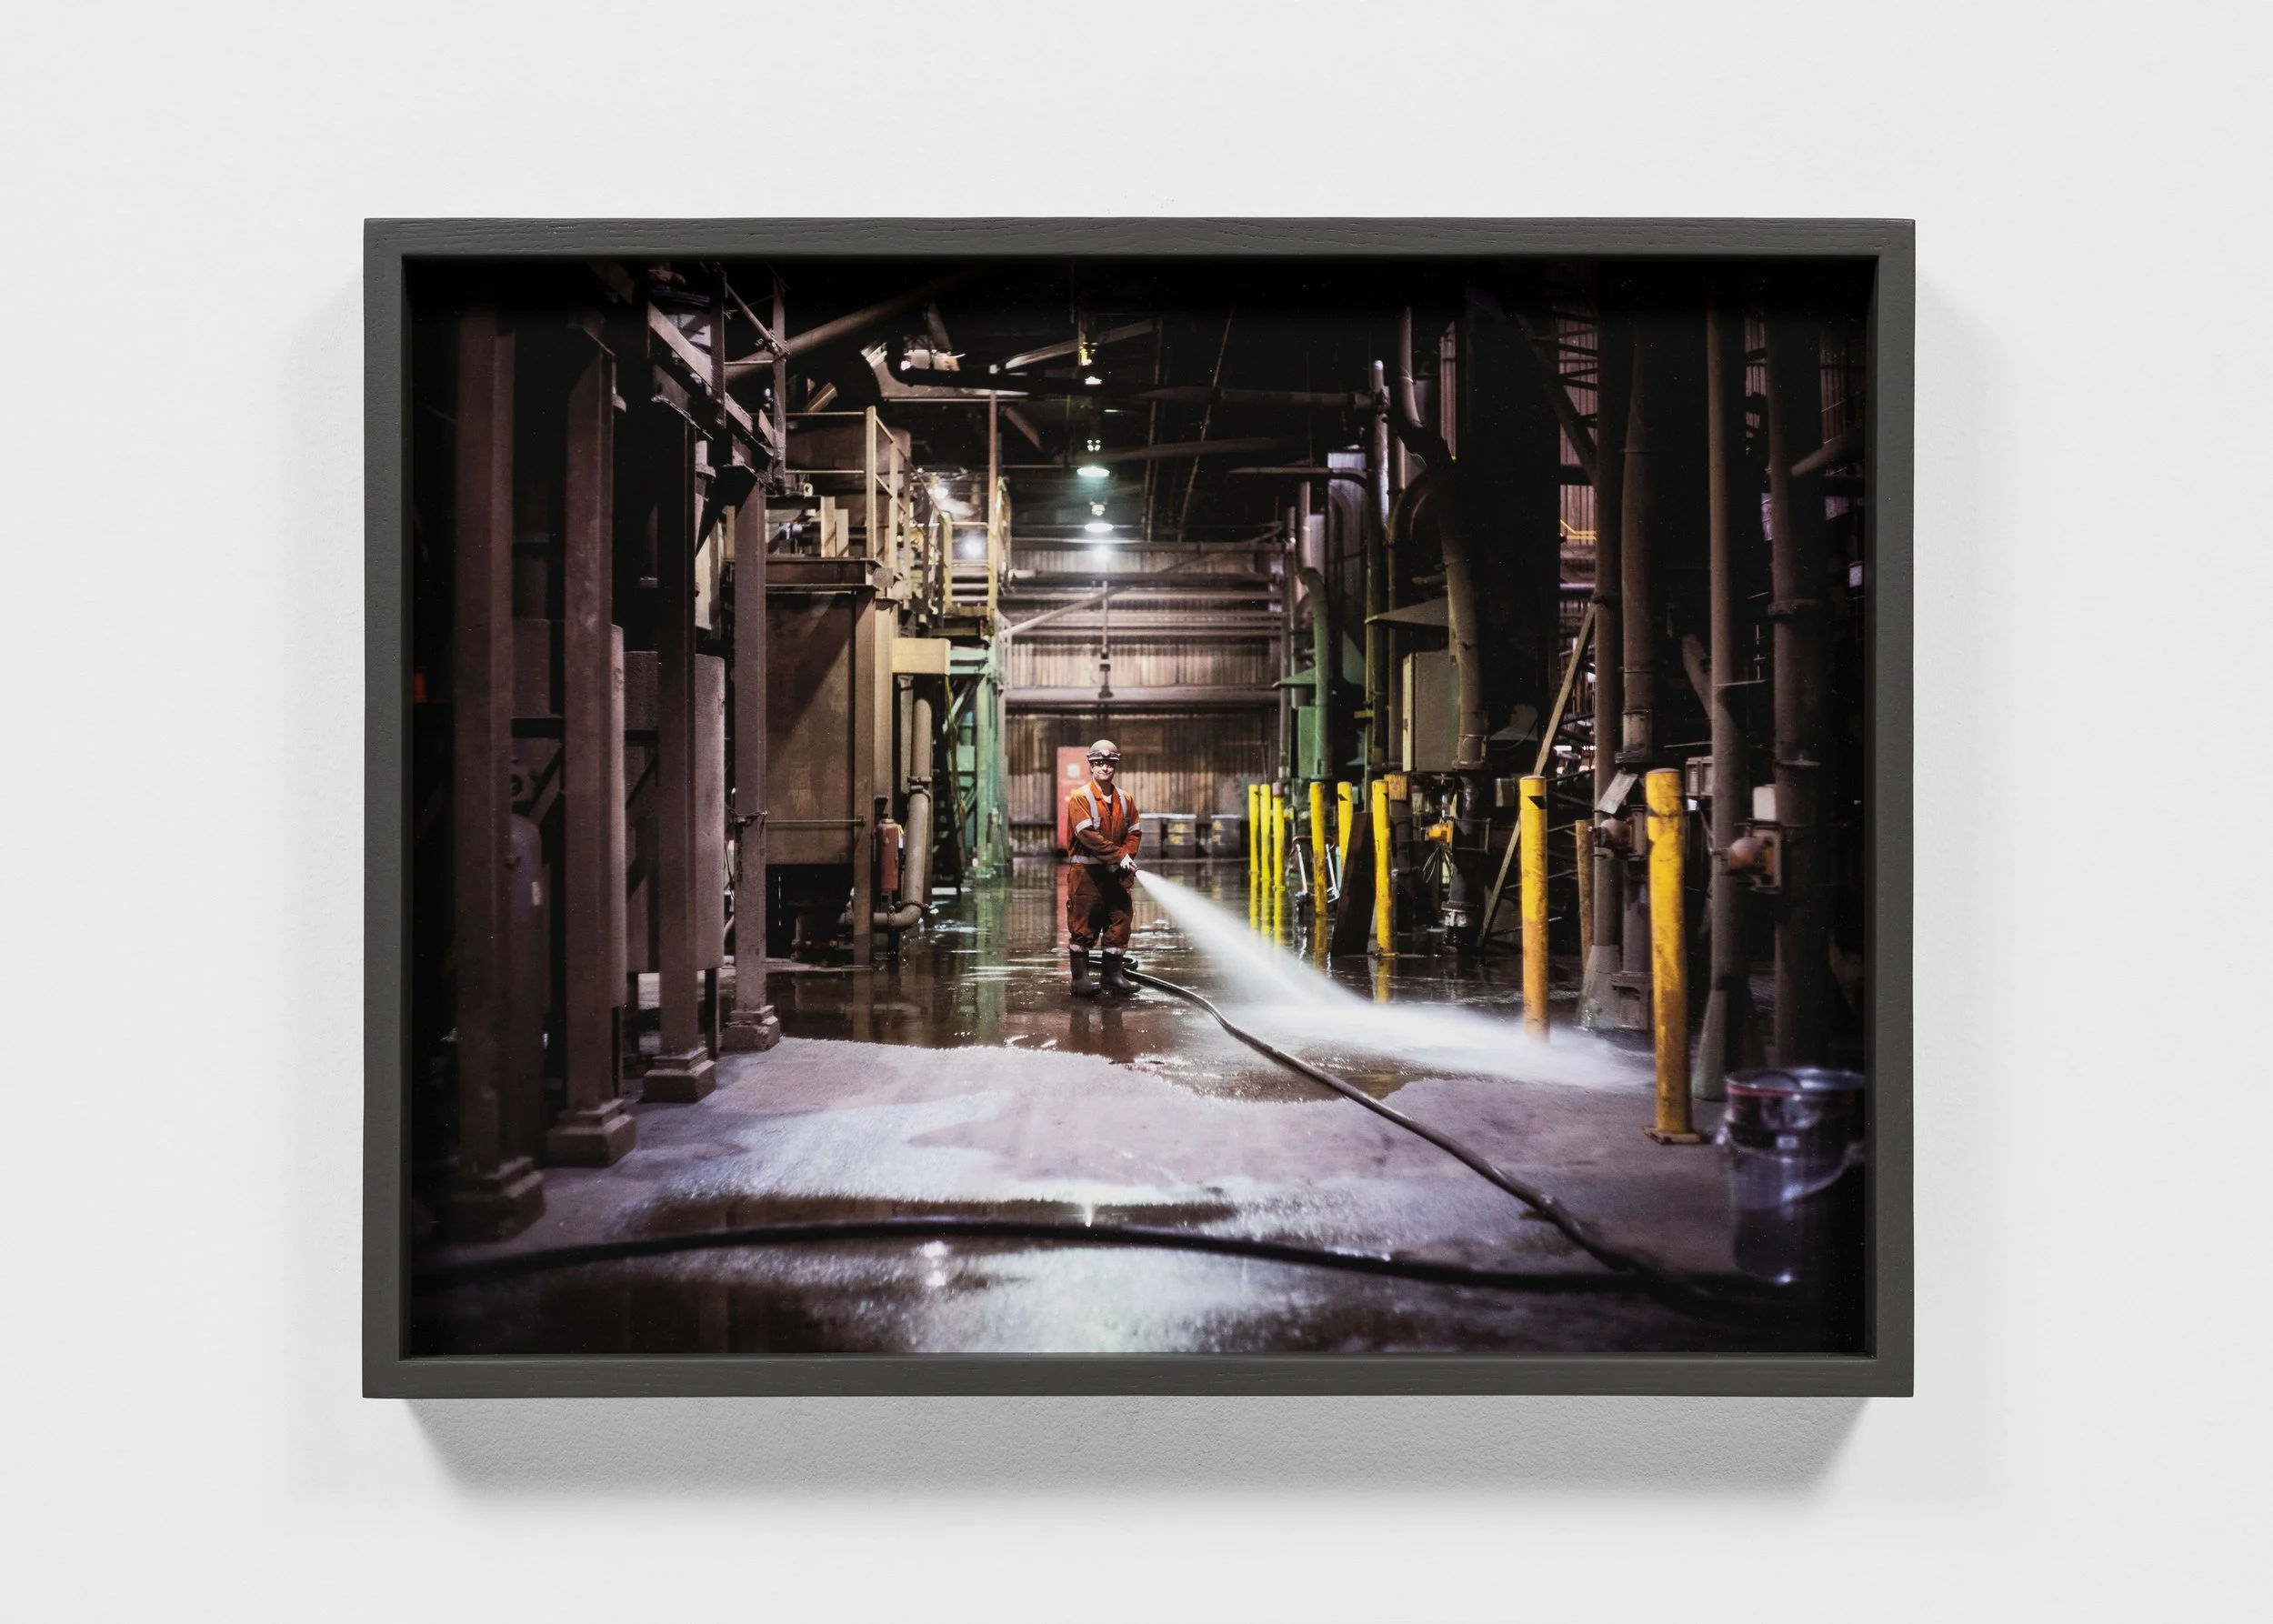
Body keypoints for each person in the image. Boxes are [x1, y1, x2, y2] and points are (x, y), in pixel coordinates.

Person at [1063, 738, 1141, 997]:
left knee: (1120, 921)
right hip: (1087, 877)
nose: (1105, 768)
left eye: (1109, 763)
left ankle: (1112, 976)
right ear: (1091, 765)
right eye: (1099, 763)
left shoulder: (1126, 800)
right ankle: (1081, 981)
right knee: (1083, 925)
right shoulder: (1080, 798)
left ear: (1115, 766)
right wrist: (1118, 856)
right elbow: (1087, 835)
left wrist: (1126, 856)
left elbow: (1134, 832)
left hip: (1116, 876)